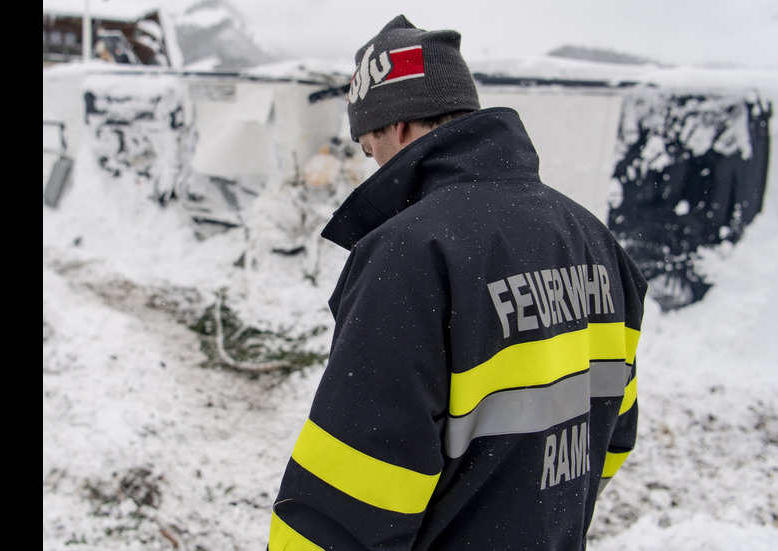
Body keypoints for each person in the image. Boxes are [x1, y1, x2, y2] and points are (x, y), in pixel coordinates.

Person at [269, 15, 647, 550]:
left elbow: (349, 497)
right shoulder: (594, 239)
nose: (371, 166)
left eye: (369, 148)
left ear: (397, 127)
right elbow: (613, 435)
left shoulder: (409, 255)